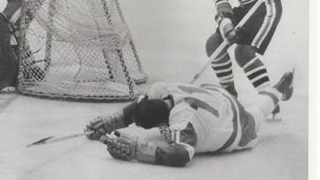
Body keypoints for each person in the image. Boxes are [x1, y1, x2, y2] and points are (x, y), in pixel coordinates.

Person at [85, 71, 294, 167]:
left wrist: (138, 150)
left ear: (161, 124)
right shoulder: (162, 90)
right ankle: (277, 91)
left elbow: (182, 155)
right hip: (218, 96)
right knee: (255, 109)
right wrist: (113, 120)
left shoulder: (183, 121)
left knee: (255, 115)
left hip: (237, 127)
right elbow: (142, 105)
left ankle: (276, 93)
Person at [190, 0, 287, 115]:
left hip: (266, 5)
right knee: (213, 44)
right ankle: (229, 95)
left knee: (243, 53)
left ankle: (270, 101)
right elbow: (221, 1)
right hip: (245, 8)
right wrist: (226, 26)